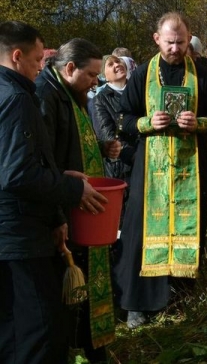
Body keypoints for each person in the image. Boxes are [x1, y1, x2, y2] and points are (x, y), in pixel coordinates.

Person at [114, 12, 207, 329]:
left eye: (181, 42)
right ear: (157, 39)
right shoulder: (142, 76)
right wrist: (146, 123)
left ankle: (177, 295)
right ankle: (136, 303)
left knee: (186, 229)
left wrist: (202, 122)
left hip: (189, 168)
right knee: (140, 233)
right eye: (169, 42)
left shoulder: (204, 76)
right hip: (148, 169)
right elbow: (123, 119)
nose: (176, 49)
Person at [0, 21, 106, 364]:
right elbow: (17, 173)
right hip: (19, 234)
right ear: (17, 56)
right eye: (36, 61)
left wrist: (56, 175)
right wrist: (71, 188)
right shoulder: (18, 98)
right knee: (38, 333)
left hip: (14, 230)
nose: (41, 68)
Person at [36, 37, 120, 362]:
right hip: (64, 210)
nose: (96, 82)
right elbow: (46, 160)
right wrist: (57, 215)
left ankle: (92, 346)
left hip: (79, 206)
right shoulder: (48, 95)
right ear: (69, 68)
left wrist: (99, 148)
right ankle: (77, 348)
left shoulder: (69, 91)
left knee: (86, 275)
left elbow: (69, 145)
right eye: (91, 75)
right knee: (70, 284)